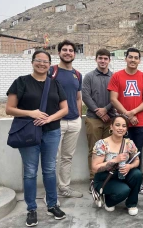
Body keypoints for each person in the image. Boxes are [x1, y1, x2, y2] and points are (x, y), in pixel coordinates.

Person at [5, 51, 68, 226]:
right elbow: (9, 109)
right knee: (30, 171)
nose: (41, 64)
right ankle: (31, 209)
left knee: (49, 169)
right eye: (38, 61)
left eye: (45, 61)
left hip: (52, 131)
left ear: (50, 64)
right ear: (33, 62)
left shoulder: (55, 84)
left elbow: (64, 109)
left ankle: (52, 205)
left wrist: (49, 118)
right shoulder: (21, 82)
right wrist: (31, 113)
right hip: (28, 133)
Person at [108, 47, 143, 194]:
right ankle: (121, 180)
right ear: (125, 58)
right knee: (121, 152)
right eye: (130, 57)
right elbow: (113, 99)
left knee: (136, 153)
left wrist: (133, 113)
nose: (133, 60)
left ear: (139, 60)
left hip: (139, 123)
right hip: (122, 124)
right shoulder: (117, 76)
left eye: (136, 57)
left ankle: (136, 182)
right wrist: (127, 116)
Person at [49, 40, 83, 198]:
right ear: (59, 53)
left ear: (74, 54)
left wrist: (78, 116)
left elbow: (78, 98)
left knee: (67, 157)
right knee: (52, 158)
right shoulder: (51, 71)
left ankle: (64, 188)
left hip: (74, 122)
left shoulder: (77, 75)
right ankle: (50, 193)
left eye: (71, 50)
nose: (68, 52)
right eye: (64, 50)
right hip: (56, 122)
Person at [91, 115, 142, 216]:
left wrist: (130, 166)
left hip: (121, 174)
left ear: (126, 129)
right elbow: (95, 168)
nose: (120, 128)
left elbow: (137, 160)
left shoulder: (129, 143)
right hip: (104, 177)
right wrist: (115, 160)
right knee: (124, 190)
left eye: (123, 126)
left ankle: (131, 204)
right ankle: (109, 200)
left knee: (137, 174)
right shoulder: (102, 144)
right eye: (117, 125)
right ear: (111, 127)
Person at [82, 48, 115, 191]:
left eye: (105, 58)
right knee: (94, 150)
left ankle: (106, 178)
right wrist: (99, 111)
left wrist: (106, 109)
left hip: (110, 119)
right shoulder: (89, 76)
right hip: (93, 119)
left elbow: (116, 98)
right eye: (100, 58)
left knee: (109, 151)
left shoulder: (114, 77)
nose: (103, 61)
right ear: (96, 59)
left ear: (109, 60)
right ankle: (93, 179)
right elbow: (86, 96)